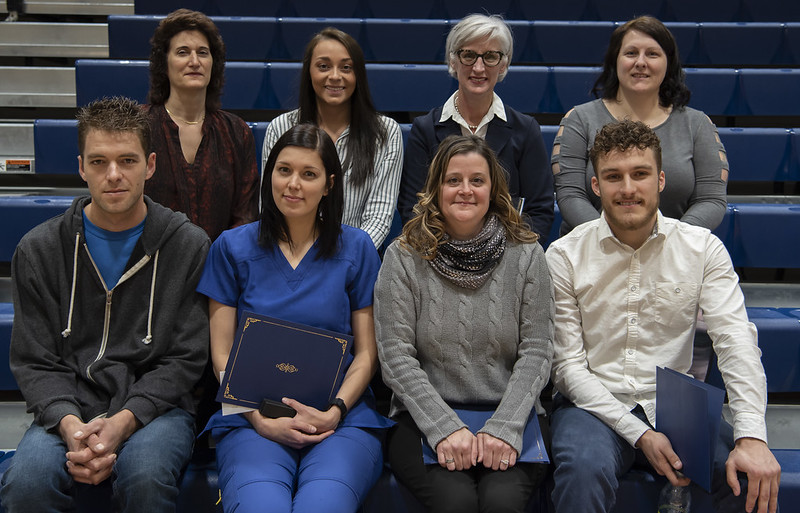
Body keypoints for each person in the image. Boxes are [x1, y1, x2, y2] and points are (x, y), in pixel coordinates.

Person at [546, 120, 781, 513]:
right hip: (592, 405)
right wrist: (639, 434)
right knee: (582, 470)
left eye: (640, 174)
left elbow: (736, 341)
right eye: (613, 176)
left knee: (746, 474)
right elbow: (567, 367)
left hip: (676, 405)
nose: (627, 188)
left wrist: (752, 436)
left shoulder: (702, 248)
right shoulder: (564, 255)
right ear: (596, 186)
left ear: (660, 180)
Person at [0, 97, 210, 512]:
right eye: (99, 162)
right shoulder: (40, 249)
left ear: (150, 165)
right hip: (69, 408)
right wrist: (70, 424)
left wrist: (125, 420)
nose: (113, 175)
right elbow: (35, 360)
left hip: (157, 410)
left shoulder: (188, 245)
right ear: (81, 167)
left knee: (146, 478)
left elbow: (186, 359)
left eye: (127, 161)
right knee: (26, 484)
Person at [198, 124, 392, 513]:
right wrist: (257, 418)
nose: (293, 184)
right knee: (260, 506)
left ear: (329, 184)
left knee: (324, 505)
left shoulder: (358, 248)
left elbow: (368, 354)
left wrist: (334, 411)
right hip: (253, 419)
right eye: (284, 170)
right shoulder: (231, 247)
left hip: (341, 419)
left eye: (309, 174)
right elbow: (221, 355)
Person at [374, 134, 553, 512]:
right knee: (455, 503)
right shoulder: (403, 256)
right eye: (453, 180)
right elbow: (395, 357)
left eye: (477, 180)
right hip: (423, 418)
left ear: (494, 189)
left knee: (501, 504)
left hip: (510, 414)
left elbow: (537, 352)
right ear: (436, 188)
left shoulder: (527, 254)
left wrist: (504, 427)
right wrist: (444, 428)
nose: (465, 190)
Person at [552, 15, 728, 235]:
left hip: (674, 256)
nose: (641, 62)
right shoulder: (578, 119)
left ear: (668, 63)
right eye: (631, 53)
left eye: (652, 54)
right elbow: (570, 195)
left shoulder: (698, 124)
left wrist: (670, 241)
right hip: (594, 250)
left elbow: (710, 200)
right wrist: (612, 237)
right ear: (615, 60)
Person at [398, 14, 553, 243]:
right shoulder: (425, 129)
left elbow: (539, 211)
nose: (478, 67)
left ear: (504, 64)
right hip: (438, 256)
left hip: (506, 258)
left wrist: (504, 257)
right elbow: (413, 209)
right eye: (468, 55)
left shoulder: (526, 130)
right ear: (453, 61)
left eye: (490, 56)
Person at [262, 27, 403, 249]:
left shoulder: (386, 132)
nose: (335, 76)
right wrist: (299, 257)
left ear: (358, 75)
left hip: (353, 261)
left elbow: (379, 217)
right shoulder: (281, 127)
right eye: (324, 66)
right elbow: (269, 204)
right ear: (309, 71)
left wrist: (340, 262)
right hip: (289, 255)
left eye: (346, 68)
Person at [146, 8, 259, 242]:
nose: (194, 61)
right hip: (154, 268)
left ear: (213, 63)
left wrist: (218, 264)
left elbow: (246, 215)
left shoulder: (237, 132)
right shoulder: (139, 127)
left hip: (221, 269)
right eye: (183, 52)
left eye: (203, 53)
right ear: (164, 63)